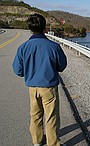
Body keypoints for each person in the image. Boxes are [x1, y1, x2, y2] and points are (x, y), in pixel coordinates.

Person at [12, 13, 67, 146]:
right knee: (51, 117)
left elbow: (17, 70)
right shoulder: (53, 46)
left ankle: (37, 142)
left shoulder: (23, 47)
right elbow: (62, 66)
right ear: (44, 28)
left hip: (32, 88)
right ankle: (52, 144)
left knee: (35, 115)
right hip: (49, 88)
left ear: (30, 29)